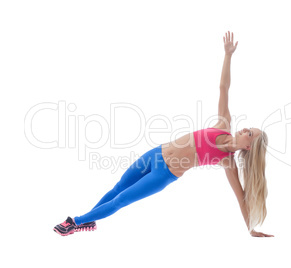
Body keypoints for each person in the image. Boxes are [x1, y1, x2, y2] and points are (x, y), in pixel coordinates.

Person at [54, 31, 274, 238]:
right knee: (118, 188)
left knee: (121, 199)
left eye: (250, 134)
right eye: (249, 128)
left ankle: (74, 221)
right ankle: (88, 221)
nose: (245, 129)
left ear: (248, 147)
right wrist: (228, 55)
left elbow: (241, 198)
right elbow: (223, 87)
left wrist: (251, 229)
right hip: (155, 153)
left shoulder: (227, 162)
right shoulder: (223, 123)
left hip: (164, 174)